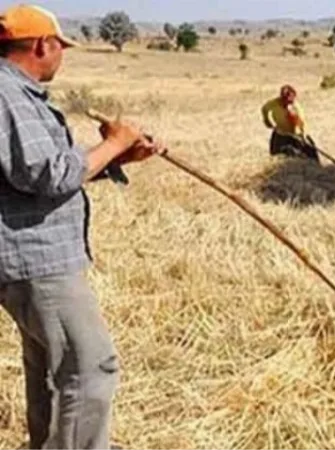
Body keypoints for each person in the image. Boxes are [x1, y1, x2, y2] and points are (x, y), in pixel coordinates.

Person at [0, 4, 162, 450]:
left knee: (54, 372)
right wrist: (113, 142)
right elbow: (45, 173)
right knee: (92, 368)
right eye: (60, 47)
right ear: (41, 45)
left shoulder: (18, 92)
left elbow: (48, 171)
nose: (61, 56)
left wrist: (118, 155)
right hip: (37, 259)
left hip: (32, 257)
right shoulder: (7, 94)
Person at [261, 85, 320, 163]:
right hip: (280, 133)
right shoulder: (274, 103)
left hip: (296, 135)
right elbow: (264, 108)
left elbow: (301, 124)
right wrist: (267, 121)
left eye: (291, 100)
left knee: (307, 156)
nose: (289, 102)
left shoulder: (296, 108)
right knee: (276, 157)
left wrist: (301, 136)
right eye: (287, 100)